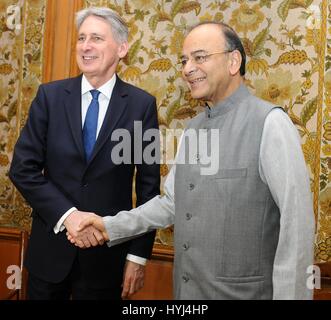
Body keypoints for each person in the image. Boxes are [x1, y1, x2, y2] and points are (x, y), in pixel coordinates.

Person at [71, 22, 315, 300]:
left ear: (234, 60)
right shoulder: (193, 130)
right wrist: (108, 225)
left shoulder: (270, 123)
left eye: (200, 57)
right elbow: (172, 204)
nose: (188, 69)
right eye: (184, 60)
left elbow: (297, 226)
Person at [9, 6, 160, 300]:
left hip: (107, 259)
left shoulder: (141, 106)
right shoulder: (49, 98)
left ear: (122, 48)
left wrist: (138, 257)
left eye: (97, 38)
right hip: (49, 256)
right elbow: (22, 169)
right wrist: (69, 216)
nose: (86, 46)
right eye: (81, 38)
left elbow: (148, 189)